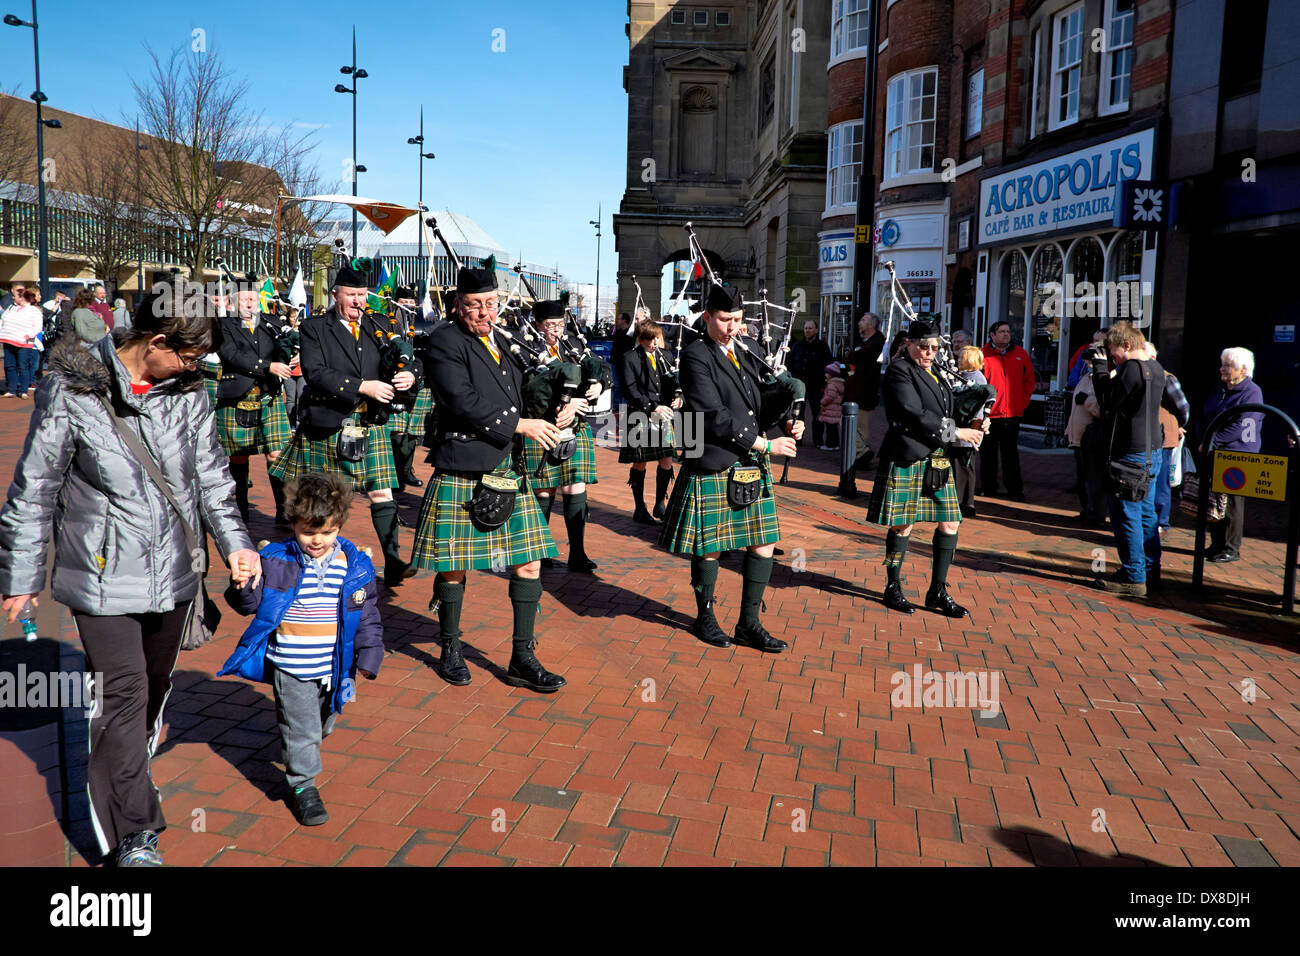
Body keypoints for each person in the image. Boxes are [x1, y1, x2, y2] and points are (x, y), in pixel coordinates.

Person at [0, 294, 258, 867]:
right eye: (191, 356)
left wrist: (238, 546)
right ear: (156, 343)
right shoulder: (73, 392)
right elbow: (35, 487)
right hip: (101, 574)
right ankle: (134, 834)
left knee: (152, 688)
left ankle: (127, 764)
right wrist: (21, 577)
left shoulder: (189, 394)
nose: (198, 369)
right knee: (122, 693)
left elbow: (214, 479)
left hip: (176, 572)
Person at [409, 263, 567, 692]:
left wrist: (559, 403)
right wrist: (519, 425)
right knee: (455, 567)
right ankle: (450, 647)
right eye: (475, 305)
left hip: (505, 467)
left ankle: (522, 656)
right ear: (458, 305)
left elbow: (520, 392)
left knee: (530, 562)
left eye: (491, 304)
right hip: (463, 464)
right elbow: (461, 400)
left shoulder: (502, 340)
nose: (485, 313)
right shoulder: (444, 341)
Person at [219, 471, 382, 827]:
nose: (318, 540)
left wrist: (370, 654)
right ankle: (303, 785)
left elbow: (367, 612)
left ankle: (302, 749)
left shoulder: (354, 565)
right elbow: (247, 605)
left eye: (327, 532)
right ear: (293, 523)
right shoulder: (277, 561)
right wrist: (243, 584)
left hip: (333, 667)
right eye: (309, 531)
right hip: (290, 664)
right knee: (303, 730)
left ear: (339, 525)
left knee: (323, 724)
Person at [658, 283, 803, 652]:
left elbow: (760, 404)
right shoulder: (695, 356)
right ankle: (704, 616)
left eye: (738, 319)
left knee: (764, 541)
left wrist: (787, 422)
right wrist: (765, 444)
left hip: (750, 461)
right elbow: (712, 415)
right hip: (715, 458)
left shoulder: (749, 349)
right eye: (725, 320)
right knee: (710, 546)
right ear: (707, 316)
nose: (732, 327)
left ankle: (749, 623)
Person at [269, 264, 416, 586]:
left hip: (368, 422)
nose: (357, 301)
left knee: (382, 492)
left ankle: (392, 560)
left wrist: (409, 373)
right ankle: (313, 560)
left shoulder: (377, 326)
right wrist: (362, 386)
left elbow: (402, 358)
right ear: (335, 295)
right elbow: (316, 372)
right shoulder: (315, 327)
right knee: (321, 495)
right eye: (351, 295)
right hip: (327, 421)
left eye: (362, 295)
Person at [866, 319, 987, 617]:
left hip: (937, 457)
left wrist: (975, 421)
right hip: (908, 454)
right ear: (908, 344)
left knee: (950, 523)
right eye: (924, 347)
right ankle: (892, 586)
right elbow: (913, 413)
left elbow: (949, 409)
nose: (930, 352)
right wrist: (956, 433)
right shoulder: (898, 371)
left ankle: (938, 590)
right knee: (903, 524)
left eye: (935, 347)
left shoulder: (937, 372)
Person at [1089, 321, 1181, 596]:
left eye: (1113, 349)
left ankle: (1133, 575)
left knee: (1127, 515)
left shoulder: (1130, 368)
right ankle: (1150, 571)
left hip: (1131, 453)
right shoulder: (1155, 367)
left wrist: (1100, 369)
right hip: (1152, 450)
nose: (1110, 354)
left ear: (1127, 345)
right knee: (1146, 514)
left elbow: (1107, 402)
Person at [518, 299, 608, 573]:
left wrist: (599, 385)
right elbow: (529, 389)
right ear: (537, 325)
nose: (556, 330)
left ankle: (577, 553)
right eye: (550, 325)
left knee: (575, 486)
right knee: (544, 489)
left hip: (574, 426)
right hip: (543, 424)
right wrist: (564, 404)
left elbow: (599, 366)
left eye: (560, 324)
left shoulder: (574, 343)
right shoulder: (526, 346)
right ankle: (541, 550)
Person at [216, 283, 294, 525]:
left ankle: (283, 511)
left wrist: (287, 357)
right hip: (237, 395)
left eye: (253, 299)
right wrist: (266, 366)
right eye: (244, 300)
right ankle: (241, 509)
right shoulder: (224, 326)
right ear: (232, 303)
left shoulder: (271, 324)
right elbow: (230, 355)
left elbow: (282, 349)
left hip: (268, 396)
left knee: (276, 454)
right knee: (239, 457)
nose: (250, 304)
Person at [1198, 347, 1265, 564]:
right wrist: (1203, 437)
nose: (1222, 369)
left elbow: (1242, 424)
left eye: (1228, 365)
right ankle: (1216, 543)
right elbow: (1205, 414)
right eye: (1222, 364)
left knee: (1233, 501)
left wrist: (1212, 441)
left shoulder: (1252, 392)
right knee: (1214, 499)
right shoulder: (1220, 389)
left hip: (1238, 453)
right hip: (1213, 451)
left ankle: (1231, 547)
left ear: (1243, 369)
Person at [619, 319, 680, 523]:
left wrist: (680, 397)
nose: (655, 343)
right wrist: (652, 406)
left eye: (657, 338)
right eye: (650, 339)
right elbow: (630, 389)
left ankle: (660, 504)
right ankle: (639, 508)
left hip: (664, 415)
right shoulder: (630, 358)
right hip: (641, 414)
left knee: (667, 459)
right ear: (641, 339)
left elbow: (677, 382)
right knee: (640, 461)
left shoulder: (666, 356)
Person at [382, 286, 433, 491]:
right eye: (404, 304)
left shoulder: (422, 321)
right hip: (394, 378)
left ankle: (406, 470)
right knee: (396, 430)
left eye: (412, 304)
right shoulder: (387, 322)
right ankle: (395, 472)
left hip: (420, 380)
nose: (409, 308)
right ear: (396, 303)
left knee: (413, 430)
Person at [981, 321, 1036, 501]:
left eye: (1008, 331)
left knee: (1010, 454)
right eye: (1002, 331)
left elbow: (1029, 380)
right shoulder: (983, 355)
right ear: (992, 335)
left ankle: (1014, 489)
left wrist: (1023, 401)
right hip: (990, 414)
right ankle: (988, 487)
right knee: (988, 454)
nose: (1006, 334)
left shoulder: (1020, 354)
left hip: (1012, 413)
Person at [1143, 342, 1190, 535]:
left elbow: (1183, 406)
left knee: (1161, 480)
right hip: (1145, 436)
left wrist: (1179, 425)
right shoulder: (1138, 376)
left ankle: (1161, 521)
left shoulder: (1166, 378)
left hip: (1162, 436)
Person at [1065, 352, 1107, 526]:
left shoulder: (1103, 380)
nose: (1088, 363)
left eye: (1092, 360)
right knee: (1083, 478)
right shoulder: (1085, 378)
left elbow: (1104, 409)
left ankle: (1096, 514)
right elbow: (1076, 408)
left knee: (1094, 479)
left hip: (1093, 438)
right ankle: (1086, 509)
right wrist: (1070, 431)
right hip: (1079, 437)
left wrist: (1088, 401)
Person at [952, 346, 988, 518]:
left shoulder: (976, 379)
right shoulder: (965, 376)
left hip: (970, 427)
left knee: (965, 465)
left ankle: (966, 502)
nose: (958, 360)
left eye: (961, 358)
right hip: (962, 427)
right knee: (960, 465)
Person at [846, 311, 885, 471]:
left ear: (871, 324)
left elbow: (855, 358)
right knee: (857, 425)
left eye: (863, 319)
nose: (859, 322)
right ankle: (860, 453)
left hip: (863, 391)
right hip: (856, 389)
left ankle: (862, 452)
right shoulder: (864, 342)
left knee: (856, 424)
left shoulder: (876, 342)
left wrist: (852, 358)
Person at [789, 320, 833, 447]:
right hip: (800, 385)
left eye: (810, 328)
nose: (807, 330)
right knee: (798, 413)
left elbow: (829, 364)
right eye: (805, 328)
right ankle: (797, 440)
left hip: (816, 385)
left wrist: (825, 381)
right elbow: (790, 364)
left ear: (816, 330)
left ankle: (817, 441)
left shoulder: (822, 346)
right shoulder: (797, 346)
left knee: (817, 414)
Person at [1, 286, 44, 398]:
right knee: (10, 366)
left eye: (15, 297)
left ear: (22, 298)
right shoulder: (11, 307)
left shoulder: (34, 310)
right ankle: (12, 389)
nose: (13, 299)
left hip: (24, 343)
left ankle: (23, 390)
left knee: (22, 366)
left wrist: (28, 335)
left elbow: (38, 327)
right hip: (8, 340)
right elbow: (3, 319)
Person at [818, 362, 845, 450]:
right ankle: (835, 444)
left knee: (830, 429)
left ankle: (830, 445)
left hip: (830, 409)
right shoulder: (839, 383)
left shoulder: (832, 384)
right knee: (834, 429)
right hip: (836, 410)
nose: (825, 374)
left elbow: (830, 396)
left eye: (827, 372)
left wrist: (822, 402)